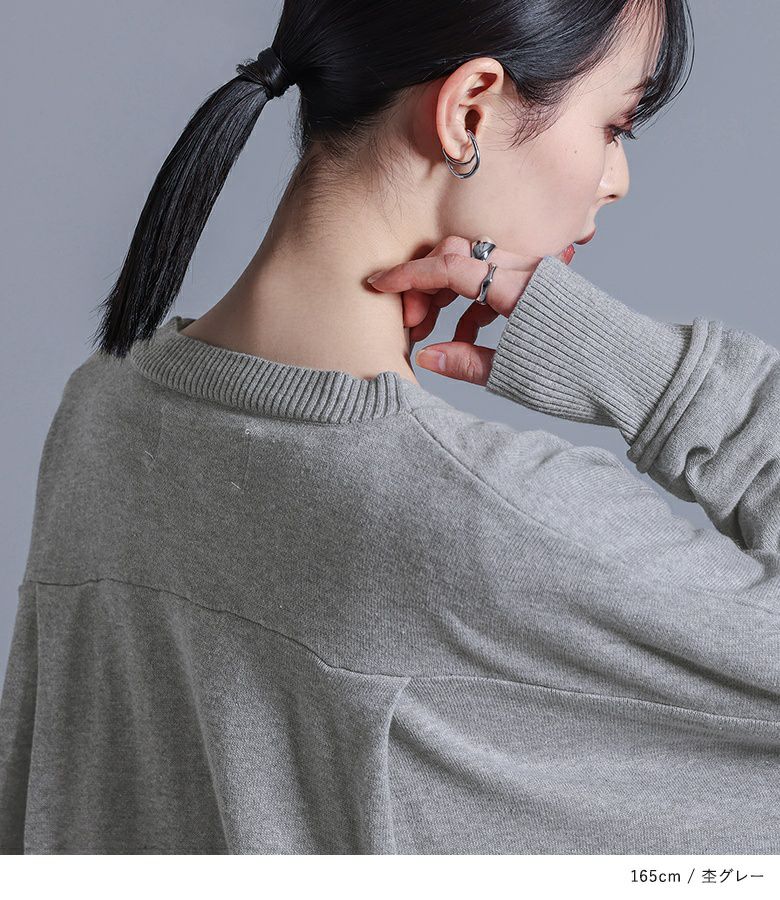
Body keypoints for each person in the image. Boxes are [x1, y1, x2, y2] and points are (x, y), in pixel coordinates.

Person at [3, 0, 778, 855]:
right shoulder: (481, 515)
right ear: (469, 110)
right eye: (614, 127)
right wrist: (660, 379)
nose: (617, 178)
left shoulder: (101, 412)